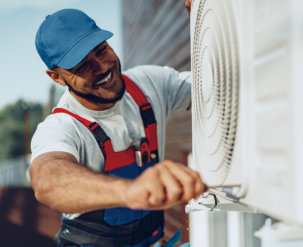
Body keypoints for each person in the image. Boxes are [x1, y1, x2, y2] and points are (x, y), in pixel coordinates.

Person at [29, 2, 203, 247]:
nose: (102, 67)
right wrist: (130, 191)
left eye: (101, 50)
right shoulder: (61, 126)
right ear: (56, 77)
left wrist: (204, 24)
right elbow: (48, 181)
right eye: (82, 66)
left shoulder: (149, 84)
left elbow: (214, 88)